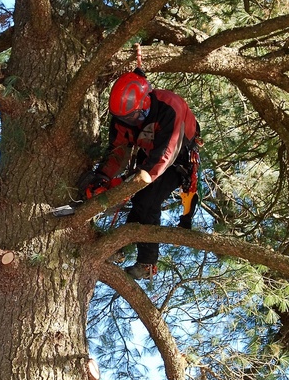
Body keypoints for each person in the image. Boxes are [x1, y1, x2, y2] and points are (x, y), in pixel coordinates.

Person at [82, 68, 201, 279]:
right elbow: (117, 152)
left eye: (135, 116)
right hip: (149, 158)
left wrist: (132, 183)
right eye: (128, 119)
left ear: (146, 102)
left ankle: (147, 263)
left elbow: (166, 153)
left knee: (147, 202)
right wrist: (102, 178)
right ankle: (117, 246)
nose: (133, 122)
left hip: (177, 160)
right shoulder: (121, 119)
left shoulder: (170, 107)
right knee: (140, 203)